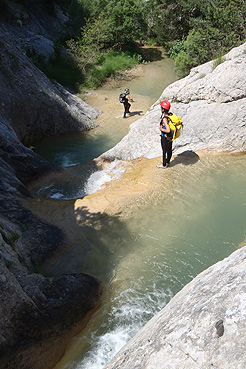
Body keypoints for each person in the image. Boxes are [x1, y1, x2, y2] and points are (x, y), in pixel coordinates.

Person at [156, 100, 173, 168]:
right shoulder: (170, 115)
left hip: (165, 137)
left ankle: (164, 165)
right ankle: (167, 161)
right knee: (169, 150)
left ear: (163, 109)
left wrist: (161, 129)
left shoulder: (164, 119)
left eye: (161, 108)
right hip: (170, 137)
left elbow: (168, 130)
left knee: (164, 151)